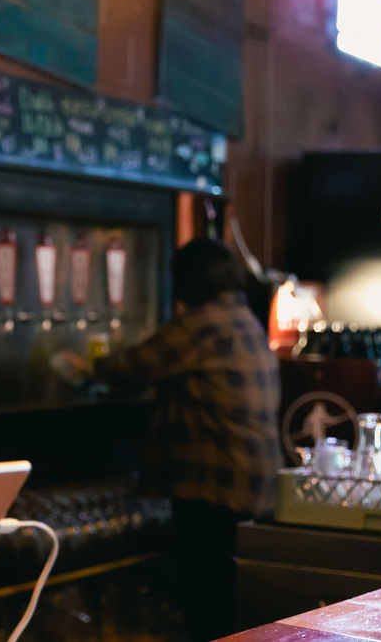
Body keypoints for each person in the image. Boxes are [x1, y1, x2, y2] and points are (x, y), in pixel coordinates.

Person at [60, 237, 282, 641]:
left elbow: (134, 366)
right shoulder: (244, 318)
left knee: (206, 602)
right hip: (254, 483)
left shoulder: (204, 322)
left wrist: (82, 365)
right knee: (229, 603)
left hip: (216, 486)